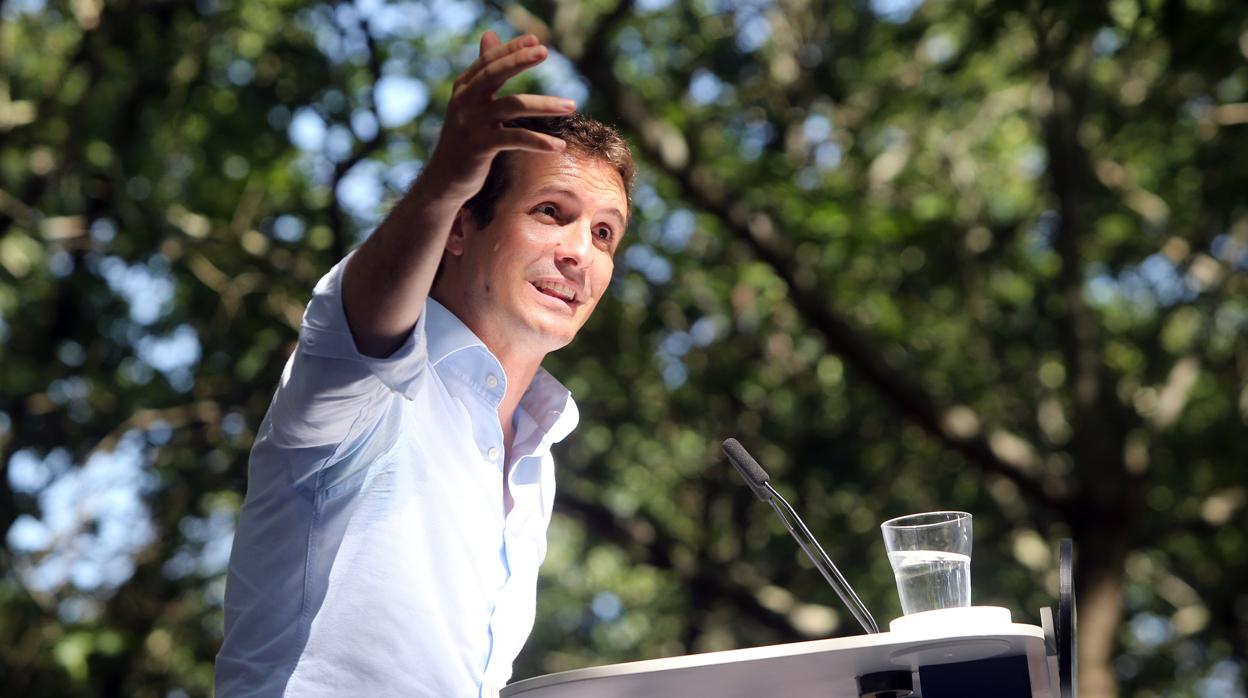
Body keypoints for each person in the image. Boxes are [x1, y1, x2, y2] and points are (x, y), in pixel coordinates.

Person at [215, 31, 635, 697]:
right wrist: (445, 178)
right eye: (552, 212)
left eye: (604, 233)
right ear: (462, 227)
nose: (580, 252)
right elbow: (368, 321)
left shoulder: (539, 455)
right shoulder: (367, 378)